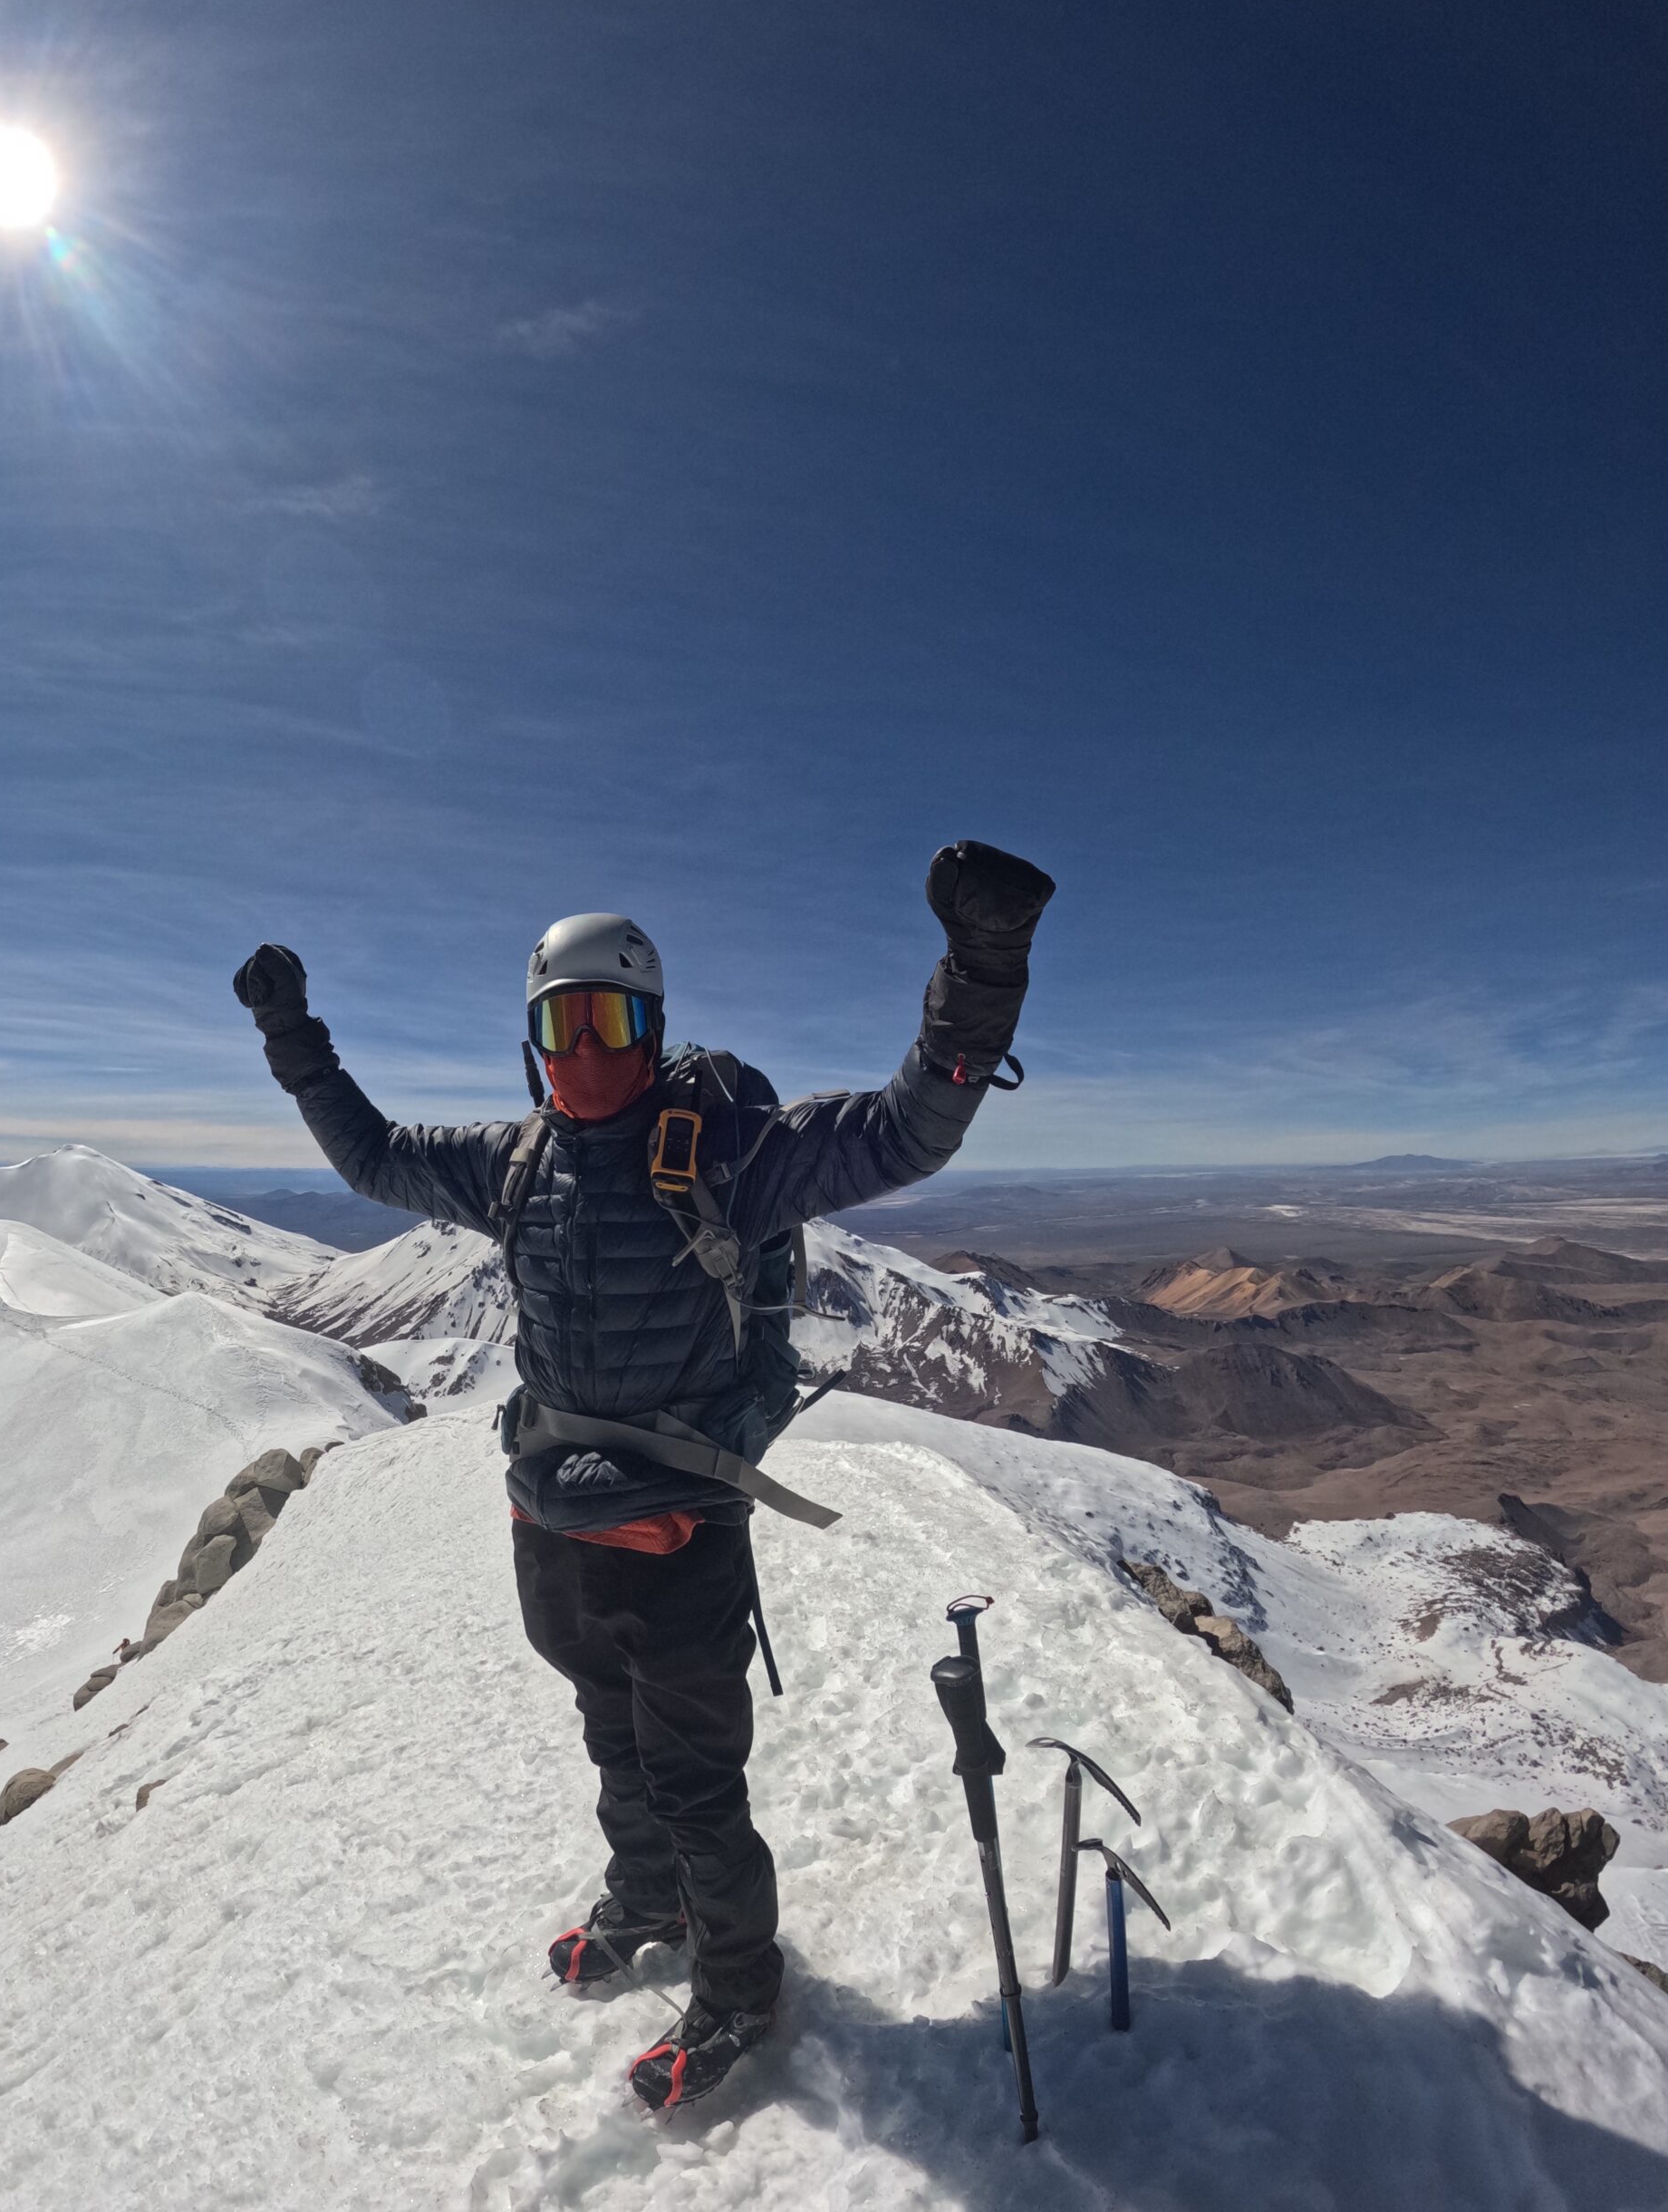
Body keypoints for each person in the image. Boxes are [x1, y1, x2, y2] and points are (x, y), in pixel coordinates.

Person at [232, 838, 1053, 2110]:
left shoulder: (733, 1149)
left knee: (692, 1779)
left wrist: (980, 969)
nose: (586, 1052)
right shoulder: (513, 1163)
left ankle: (738, 1986)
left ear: (655, 1026)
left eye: (612, 1021)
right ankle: (647, 1894)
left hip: (677, 1528)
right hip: (554, 1519)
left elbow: (904, 1133)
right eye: (562, 1025)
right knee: (610, 1738)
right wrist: (299, 1043)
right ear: (532, 1041)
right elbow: (373, 1158)